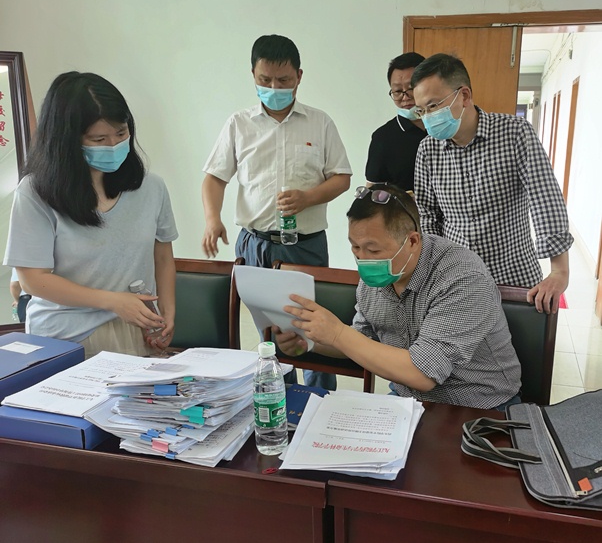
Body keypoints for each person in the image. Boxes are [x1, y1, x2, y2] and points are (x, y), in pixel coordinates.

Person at [274, 184, 521, 410]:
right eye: (355, 247)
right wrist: (309, 341)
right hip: (408, 401)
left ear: (412, 241)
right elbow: (362, 338)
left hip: (479, 407)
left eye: (373, 249)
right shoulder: (377, 276)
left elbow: (423, 374)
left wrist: (338, 333)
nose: (362, 260)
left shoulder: (462, 277)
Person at [202, 34, 352, 390]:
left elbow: (342, 178)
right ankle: (278, 400)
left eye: (283, 80)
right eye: (265, 80)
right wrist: (212, 219)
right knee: (270, 338)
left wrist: (308, 198)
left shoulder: (320, 123)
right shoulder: (239, 124)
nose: (274, 88)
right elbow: (214, 178)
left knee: (313, 331)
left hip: (305, 246)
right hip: (256, 245)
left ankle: (320, 403)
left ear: (299, 76)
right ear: (253, 76)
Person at [3, 71, 178, 359]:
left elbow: (162, 256)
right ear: (68, 140)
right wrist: (113, 301)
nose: (113, 146)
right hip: (65, 337)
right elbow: (33, 280)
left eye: (121, 134)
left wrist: (168, 312)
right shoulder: (36, 193)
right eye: (99, 139)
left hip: (135, 327)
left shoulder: (151, 187)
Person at [410, 53, 573, 315]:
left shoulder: (514, 133)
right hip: (457, 280)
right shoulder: (428, 150)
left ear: (464, 96)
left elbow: (545, 199)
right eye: (422, 110)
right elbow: (429, 215)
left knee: (519, 341)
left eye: (433, 106)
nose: (428, 117)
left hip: (514, 276)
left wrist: (559, 271)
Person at [365, 52, 426, 191]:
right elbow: (373, 190)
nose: (405, 97)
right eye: (398, 91)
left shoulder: (446, 126)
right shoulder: (383, 138)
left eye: (411, 88)